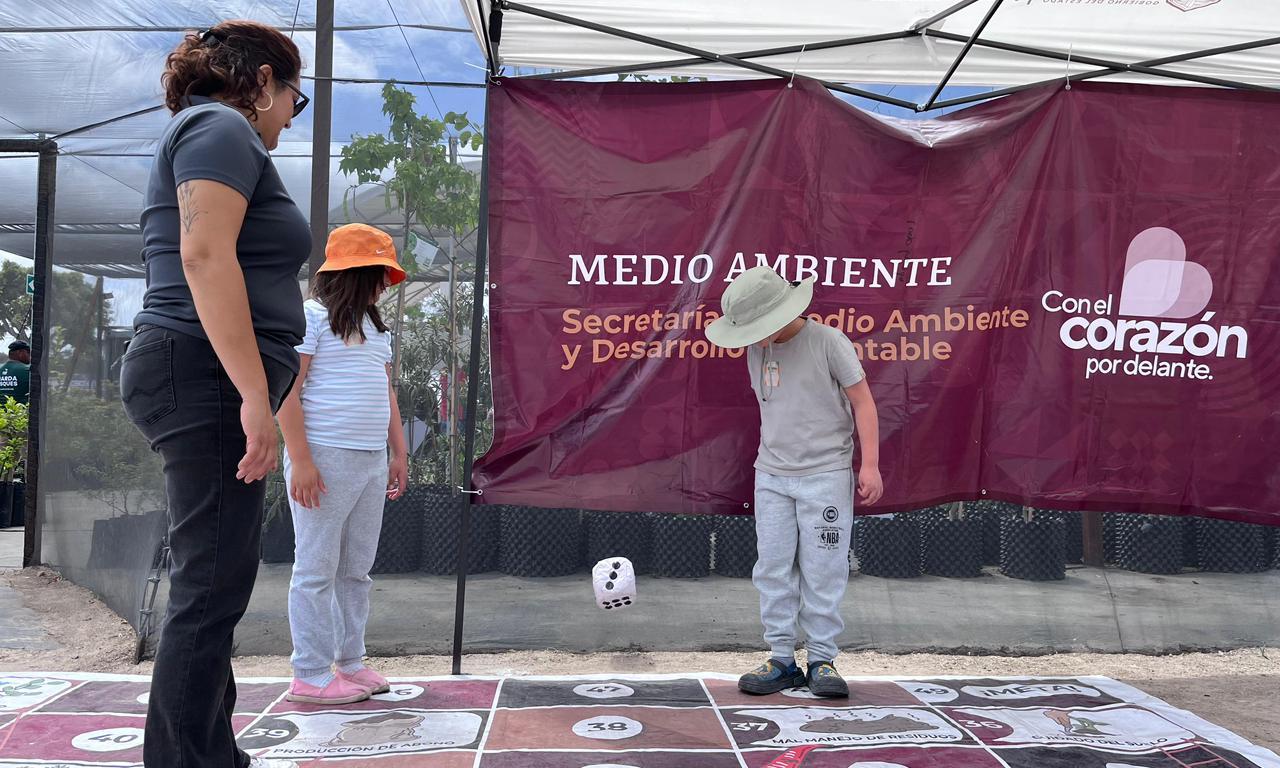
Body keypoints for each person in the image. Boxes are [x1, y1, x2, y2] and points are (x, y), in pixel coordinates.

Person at [118, 20, 310, 768]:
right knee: (209, 588)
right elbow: (202, 255)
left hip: (195, 369)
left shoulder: (214, 133)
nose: (292, 115)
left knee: (216, 580)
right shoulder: (221, 126)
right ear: (263, 80)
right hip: (201, 371)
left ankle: (209, 754)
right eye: (295, 97)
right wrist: (253, 396)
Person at [705, 266, 884, 698]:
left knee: (824, 568)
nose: (752, 337)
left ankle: (822, 659)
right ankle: (781, 658)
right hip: (771, 475)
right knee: (772, 566)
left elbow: (863, 402)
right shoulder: (756, 350)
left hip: (825, 473)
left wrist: (870, 464)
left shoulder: (828, 342)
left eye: (757, 327)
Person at [276, 223, 409, 704]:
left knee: (356, 570)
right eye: (377, 274)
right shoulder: (311, 318)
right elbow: (288, 390)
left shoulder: (376, 329)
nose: (382, 285)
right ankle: (309, 674)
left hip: (371, 461)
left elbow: (386, 390)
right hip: (325, 460)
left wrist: (398, 453)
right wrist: (302, 460)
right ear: (353, 275)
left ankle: (350, 663)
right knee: (315, 570)